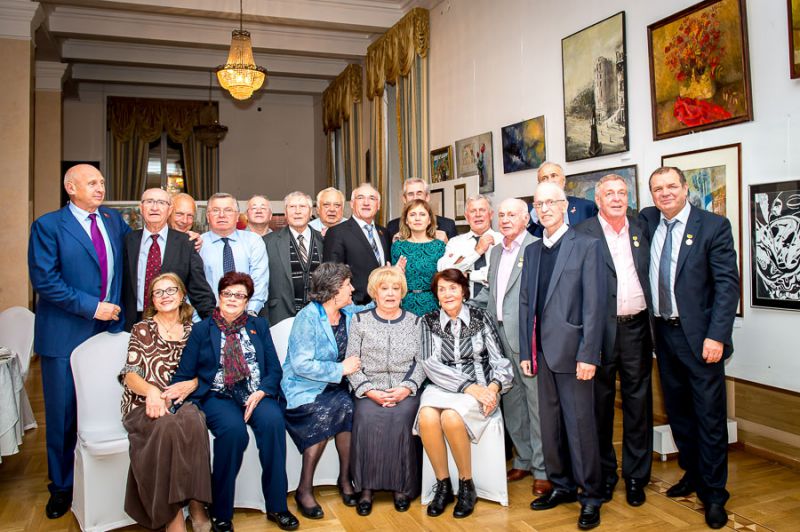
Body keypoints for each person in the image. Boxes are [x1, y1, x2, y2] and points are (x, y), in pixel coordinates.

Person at [28, 164, 130, 519]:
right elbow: (45, 281)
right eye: (91, 183)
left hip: (108, 333)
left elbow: (137, 247)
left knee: (103, 407)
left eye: (101, 182)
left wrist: (185, 236)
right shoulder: (48, 226)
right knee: (63, 414)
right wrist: (92, 307)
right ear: (70, 188)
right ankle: (61, 487)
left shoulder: (114, 221)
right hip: (64, 334)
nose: (100, 188)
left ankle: (104, 479)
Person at [640, 167, 739, 529]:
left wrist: (717, 336)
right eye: (657, 189)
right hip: (663, 336)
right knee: (679, 413)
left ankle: (714, 494)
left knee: (709, 417)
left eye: (671, 186)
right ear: (652, 195)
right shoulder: (648, 222)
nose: (665, 193)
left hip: (700, 339)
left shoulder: (713, 226)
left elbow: (727, 286)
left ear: (685, 189)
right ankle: (693, 474)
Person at [171, 272, 298, 532]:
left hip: (255, 393)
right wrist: (184, 390)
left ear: (247, 301)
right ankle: (221, 512)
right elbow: (185, 373)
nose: (232, 299)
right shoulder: (202, 330)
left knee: (273, 421)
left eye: (239, 295)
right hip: (218, 395)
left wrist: (262, 392)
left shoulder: (258, 325)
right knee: (233, 432)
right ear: (219, 296)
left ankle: (277, 506)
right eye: (227, 293)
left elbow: (274, 369)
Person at [519, 181, 605, 530]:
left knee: (580, 427)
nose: (545, 209)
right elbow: (526, 304)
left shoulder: (586, 245)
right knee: (551, 425)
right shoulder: (533, 251)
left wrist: (589, 355)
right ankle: (562, 485)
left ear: (565, 205)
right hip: (541, 354)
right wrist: (526, 350)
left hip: (574, 354)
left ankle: (591, 495)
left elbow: (595, 305)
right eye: (539, 204)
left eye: (551, 202)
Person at [575, 175, 653, 507]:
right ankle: (605, 474)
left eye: (622, 193)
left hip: (637, 328)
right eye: (610, 193)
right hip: (599, 331)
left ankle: (636, 477)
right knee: (600, 406)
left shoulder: (642, 228)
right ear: (598, 199)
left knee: (638, 405)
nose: (617, 198)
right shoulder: (582, 233)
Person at [415, 269, 513, 519]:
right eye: (442, 289)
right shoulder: (428, 321)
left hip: (482, 388)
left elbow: (500, 361)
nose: (448, 294)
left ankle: (467, 484)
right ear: (437, 296)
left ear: (463, 291)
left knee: (450, 417)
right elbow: (429, 364)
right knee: (426, 416)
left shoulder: (482, 317)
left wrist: (493, 388)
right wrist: (469, 387)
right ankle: (443, 486)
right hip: (442, 387)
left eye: (453, 288)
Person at [119, 273, 212, 532]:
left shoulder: (195, 330)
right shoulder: (142, 329)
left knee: (194, 422)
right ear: (152, 300)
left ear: (182, 295)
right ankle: (173, 516)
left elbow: (209, 370)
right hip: (142, 404)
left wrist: (193, 383)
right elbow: (130, 374)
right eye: (158, 292)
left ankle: (197, 504)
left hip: (181, 402)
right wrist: (151, 391)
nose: (165, 296)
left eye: (171, 290)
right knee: (167, 427)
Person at [471, 198, 550, 495]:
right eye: (501, 215)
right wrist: (459, 304)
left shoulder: (537, 248)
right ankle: (524, 459)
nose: (505, 220)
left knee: (536, 405)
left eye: (512, 215)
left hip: (527, 337)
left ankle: (543, 468)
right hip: (499, 336)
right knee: (512, 401)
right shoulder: (495, 251)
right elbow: (492, 295)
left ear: (526, 219)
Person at [281, 263, 366, 518]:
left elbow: (372, 308)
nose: (352, 289)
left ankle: (345, 478)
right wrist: (340, 368)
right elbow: (301, 364)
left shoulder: (348, 311)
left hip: (336, 387)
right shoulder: (307, 318)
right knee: (325, 411)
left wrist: (390, 284)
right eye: (347, 285)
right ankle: (304, 489)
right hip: (304, 388)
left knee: (348, 406)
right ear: (333, 290)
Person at [346, 266, 426, 516]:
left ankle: (402, 487)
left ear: (402, 292)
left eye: (395, 288)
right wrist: (369, 391)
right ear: (374, 292)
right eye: (384, 288)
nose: (390, 293)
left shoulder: (415, 322)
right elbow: (352, 362)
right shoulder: (360, 321)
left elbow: (421, 363)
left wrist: (406, 388)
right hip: (370, 388)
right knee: (367, 417)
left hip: (404, 389)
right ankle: (366, 488)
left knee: (402, 418)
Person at [122, 187, 215, 331]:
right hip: (133, 323)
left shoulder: (186, 243)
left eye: (161, 202)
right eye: (149, 201)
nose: (154, 207)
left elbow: (199, 291)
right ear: (141, 208)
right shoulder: (128, 241)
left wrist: (215, 326)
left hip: (173, 324)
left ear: (169, 209)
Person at [199, 193, 269, 315]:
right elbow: (194, 287)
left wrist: (250, 313)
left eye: (228, 210)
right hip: (208, 316)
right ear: (208, 216)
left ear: (237, 216)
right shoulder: (198, 244)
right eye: (215, 210)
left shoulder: (253, 241)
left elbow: (259, 280)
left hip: (247, 315)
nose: (222, 215)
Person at [323, 184, 391, 304]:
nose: (366, 203)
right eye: (360, 198)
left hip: (384, 303)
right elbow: (331, 276)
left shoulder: (384, 233)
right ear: (352, 204)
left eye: (372, 198)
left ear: (378, 205)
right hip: (354, 306)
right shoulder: (336, 232)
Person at [262, 191, 323, 325]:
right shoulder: (267, 242)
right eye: (292, 207)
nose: (297, 211)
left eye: (302, 207)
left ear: (310, 212)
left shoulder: (324, 240)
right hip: (280, 315)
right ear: (285, 212)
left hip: (319, 316)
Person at [437, 195, 502, 297]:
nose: (478, 214)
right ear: (467, 217)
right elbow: (445, 271)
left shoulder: (503, 240)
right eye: (473, 211)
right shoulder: (455, 242)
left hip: (496, 301)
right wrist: (477, 252)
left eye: (482, 210)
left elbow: (501, 274)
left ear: (491, 215)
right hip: (465, 302)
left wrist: (468, 275)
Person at [391, 199, 446, 316]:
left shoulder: (440, 246)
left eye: (422, 214)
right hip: (405, 304)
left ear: (429, 220)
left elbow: (445, 279)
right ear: (406, 220)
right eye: (412, 214)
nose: (417, 218)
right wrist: (396, 273)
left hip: (433, 304)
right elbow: (393, 282)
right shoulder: (398, 246)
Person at [527, 162, 598, 238]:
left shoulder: (587, 207)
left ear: (563, 181)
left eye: (553, 176)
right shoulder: (528, 212)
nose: (550, 181)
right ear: (539, 185)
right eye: (544, 178)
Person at [386, 178, 457, 241]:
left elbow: (456, 251)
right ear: (404, 199)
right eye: (410, 194)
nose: (415, 198)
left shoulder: (448, 226)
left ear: (427, 197)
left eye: (419, 193)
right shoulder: (392, 227)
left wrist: (447, 243)